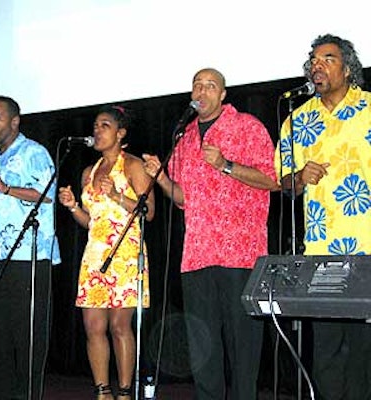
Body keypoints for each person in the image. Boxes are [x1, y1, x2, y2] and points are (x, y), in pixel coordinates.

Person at [143, 68, 279, 400]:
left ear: (222, 95)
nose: (201, 91)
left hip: (240, 254)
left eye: (210, 86)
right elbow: (183, 199)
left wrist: (226, 165)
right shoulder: (185, 137)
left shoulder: (248, 127)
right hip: (197, 256)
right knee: (204, 350)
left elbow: (272, 180)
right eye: (196, 85)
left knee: (243, 347)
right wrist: (159, 179)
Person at [276, 34, 371, 400]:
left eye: (328, 59)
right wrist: (299, 177)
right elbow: (284, 183)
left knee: (363, 350)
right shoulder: (297, 120)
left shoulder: (368, 107)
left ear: (348, 68)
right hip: (320, 249)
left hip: (366, 245)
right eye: (314, 60)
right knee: (327, 351)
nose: (317, 65)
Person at [58, 105, 155, 400]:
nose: (96, 131)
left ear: (121, 133)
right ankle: (103, 391)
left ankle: (124, 392)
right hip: (95, 255)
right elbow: (91, 222)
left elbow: (147, 212)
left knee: (119, 326)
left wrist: (115, 194)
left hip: (125, 253)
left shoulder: (134, 165)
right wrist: (74, 206)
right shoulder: (90, 172)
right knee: (93, 326)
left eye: (104, 126)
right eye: (95, 126)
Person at [0, 95, 61, 399]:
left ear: (14, 121)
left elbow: (45, 195)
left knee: (27, 338)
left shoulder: (34, 152)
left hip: (28, 257)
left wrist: (6, 188)